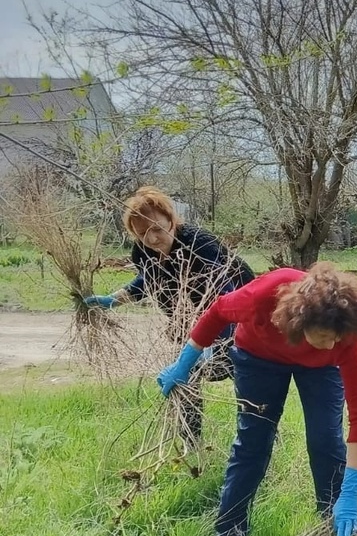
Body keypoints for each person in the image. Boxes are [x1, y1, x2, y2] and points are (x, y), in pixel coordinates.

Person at [155, 262, 357, 536]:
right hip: (258, 357)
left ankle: (335, 534)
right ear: (301, 321)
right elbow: (218, 311)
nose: (332, 344)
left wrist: (351, 490)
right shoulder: (263, 297)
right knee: (253, 443)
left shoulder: (344, 336)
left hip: (320, 370)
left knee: (325, 440)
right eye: (325, 337)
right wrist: (183, 364)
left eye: (337, 338)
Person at [85, 186, 255, 446]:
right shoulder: (142, 253)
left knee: (246, 381)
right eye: (143, 234)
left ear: (171, 219)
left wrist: (212, 340)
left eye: (156, 228)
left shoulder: (200, 244)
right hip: (193, 324)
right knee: (184, 379)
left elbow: (227, 294)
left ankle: (257, 440)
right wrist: (113, 300)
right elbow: (149, 280)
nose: (152, 239)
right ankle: (191, 446)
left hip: (239, 321)